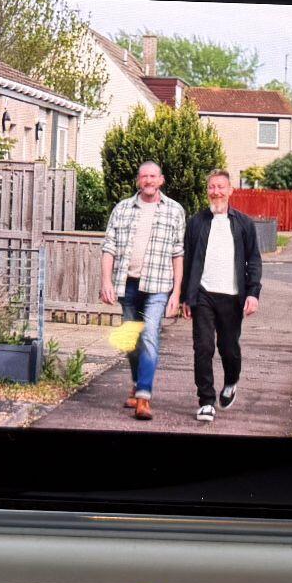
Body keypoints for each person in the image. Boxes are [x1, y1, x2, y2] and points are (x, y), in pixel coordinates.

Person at [99, 160, 186, 421]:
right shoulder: (123, 208)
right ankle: (137, 383)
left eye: (153, 176)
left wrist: (177, 293)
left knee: (149, 335)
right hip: (128, 284)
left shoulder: (175, 210)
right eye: (144, 176)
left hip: (158, 286)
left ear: (161, 180)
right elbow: (109, 247)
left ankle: (144, 396)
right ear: (139, 181)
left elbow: (178, 253)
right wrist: (106, 282)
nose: (148, 180)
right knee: (132, 339)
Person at [178, 169, 262, 424]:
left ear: (230, 190)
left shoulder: (244, 223)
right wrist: (185, 297)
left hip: (233, 297)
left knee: (229, 348)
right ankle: (206, 401)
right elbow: (188, 261)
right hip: (203, 295)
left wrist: (253, 293)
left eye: (220, 187)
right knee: (203, 347)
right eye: (212, 187)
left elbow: (254, 260)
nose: (216, 192)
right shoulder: (196, 223)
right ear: (207, 191)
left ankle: (231, 381)